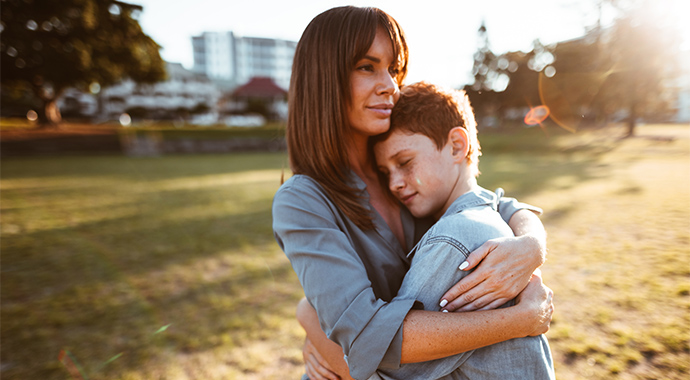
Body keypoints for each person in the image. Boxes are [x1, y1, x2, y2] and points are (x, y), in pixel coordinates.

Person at [272, 6, 553, 380]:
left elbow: (491, 203)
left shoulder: (400, 172)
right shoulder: (303, 201)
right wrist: (519, 320)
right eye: (367, 66)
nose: (389, 85)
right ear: (324, 77)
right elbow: (365, 336)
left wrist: (532, 244)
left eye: (393, 68)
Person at [369, 81, 554, 379]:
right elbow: (501, 200)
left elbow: (391, 361)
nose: (394, 183)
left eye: (404, 162)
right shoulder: (489, 215)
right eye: (385, 173)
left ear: (457, 146)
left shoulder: (453, 240)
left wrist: (312, 322)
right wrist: (534, 238)